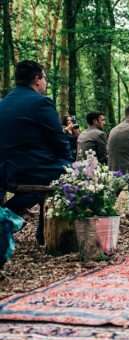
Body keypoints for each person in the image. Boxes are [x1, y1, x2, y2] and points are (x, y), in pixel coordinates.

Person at [0, 60, 72, 243]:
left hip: (5, 168)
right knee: (68, 174)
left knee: (54, 171)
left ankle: (39, 230)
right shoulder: (41, 103)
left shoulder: (4, 102)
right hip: (26, 168)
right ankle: (43, 232)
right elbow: (58, 140)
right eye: (45, 78)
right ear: (37, 79)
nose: (45, 83)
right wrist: (69, 164)